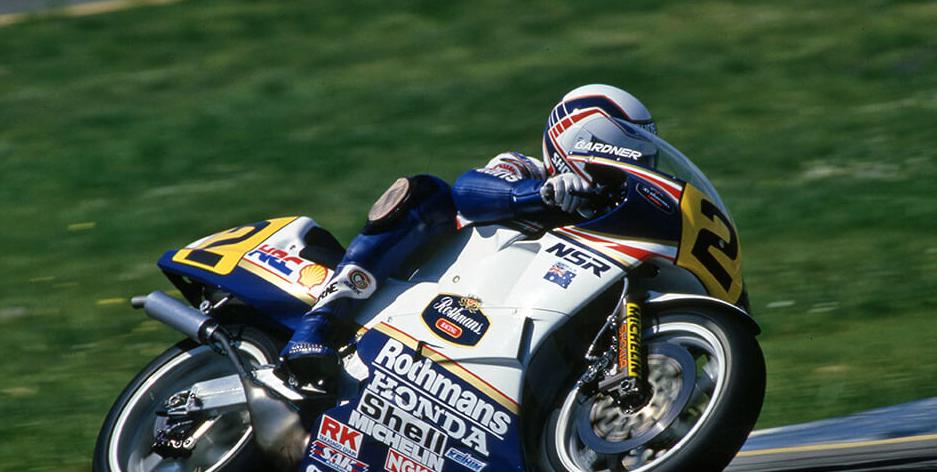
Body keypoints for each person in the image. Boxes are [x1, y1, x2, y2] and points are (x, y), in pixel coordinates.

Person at [275, 84, 658, 402]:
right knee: (427, 193)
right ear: (579, 144)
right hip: (428, 294)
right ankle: (316, 328)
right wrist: (540, 195)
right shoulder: (525, 169)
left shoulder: (604, 227)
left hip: (496, 335)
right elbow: (468, 190)